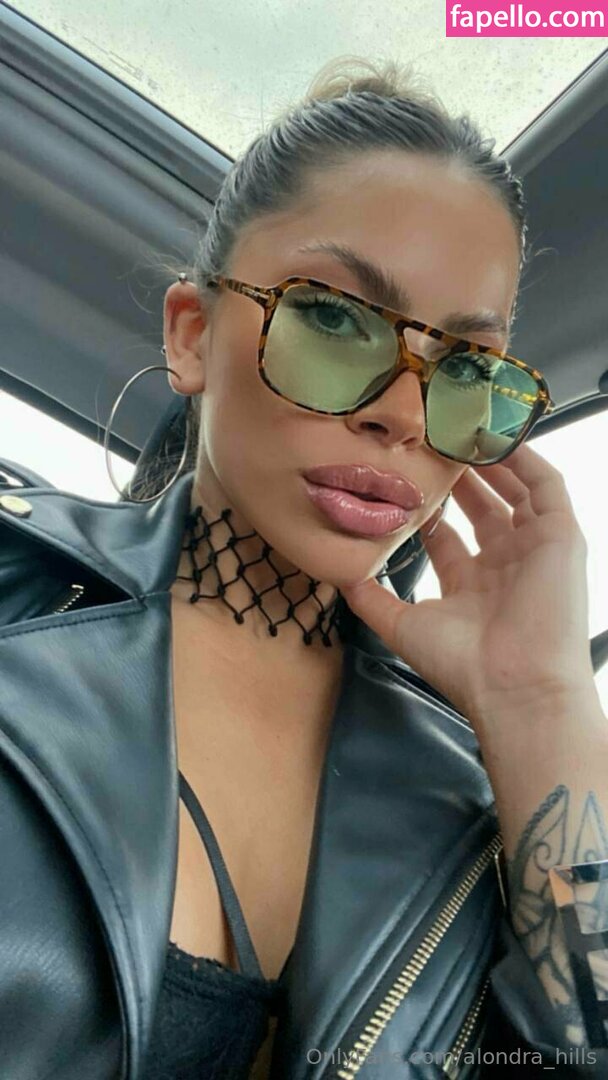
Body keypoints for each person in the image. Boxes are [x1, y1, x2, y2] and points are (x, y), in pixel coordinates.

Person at [0, 55, 606, 1080]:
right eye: (332, 318)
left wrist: (543, 704)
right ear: (192, 335)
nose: (402, 414)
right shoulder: (18, 596)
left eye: (464, 367)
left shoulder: (474, 795)